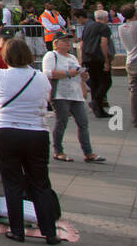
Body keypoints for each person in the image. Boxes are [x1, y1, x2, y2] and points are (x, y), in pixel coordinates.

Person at [0, 38, 61, 244]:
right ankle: (50, 231)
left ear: (6, 57)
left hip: (6, 131)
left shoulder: (0, 75)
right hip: (36, 132)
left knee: (13, 182)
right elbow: (47, 98)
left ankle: (17, 230)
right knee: (40, 182)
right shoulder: (41, 78)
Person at [43, 33, 104, 164]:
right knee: (62, 121)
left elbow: (79, 73)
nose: (67, 43)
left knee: (83, 122)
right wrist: (67, 73)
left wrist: (83, 79)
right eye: (64, 41)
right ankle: (58, 151)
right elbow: (47, 73)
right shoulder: (51, 55)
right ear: (56, 43)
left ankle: (88, 152)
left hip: (75, 93)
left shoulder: (72, 57)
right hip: (60, 94)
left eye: (68, 41)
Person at [81, 9, 114, 119]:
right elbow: (103, 43)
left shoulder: (88, 26)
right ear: (105, 18)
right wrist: (106, 60)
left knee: (95, 82)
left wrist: (82, 58)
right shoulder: (104, 27)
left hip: (88, 57)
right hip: (98, 57)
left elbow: (82, 43)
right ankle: (96, 102)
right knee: (106, 82)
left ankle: (98, 110)